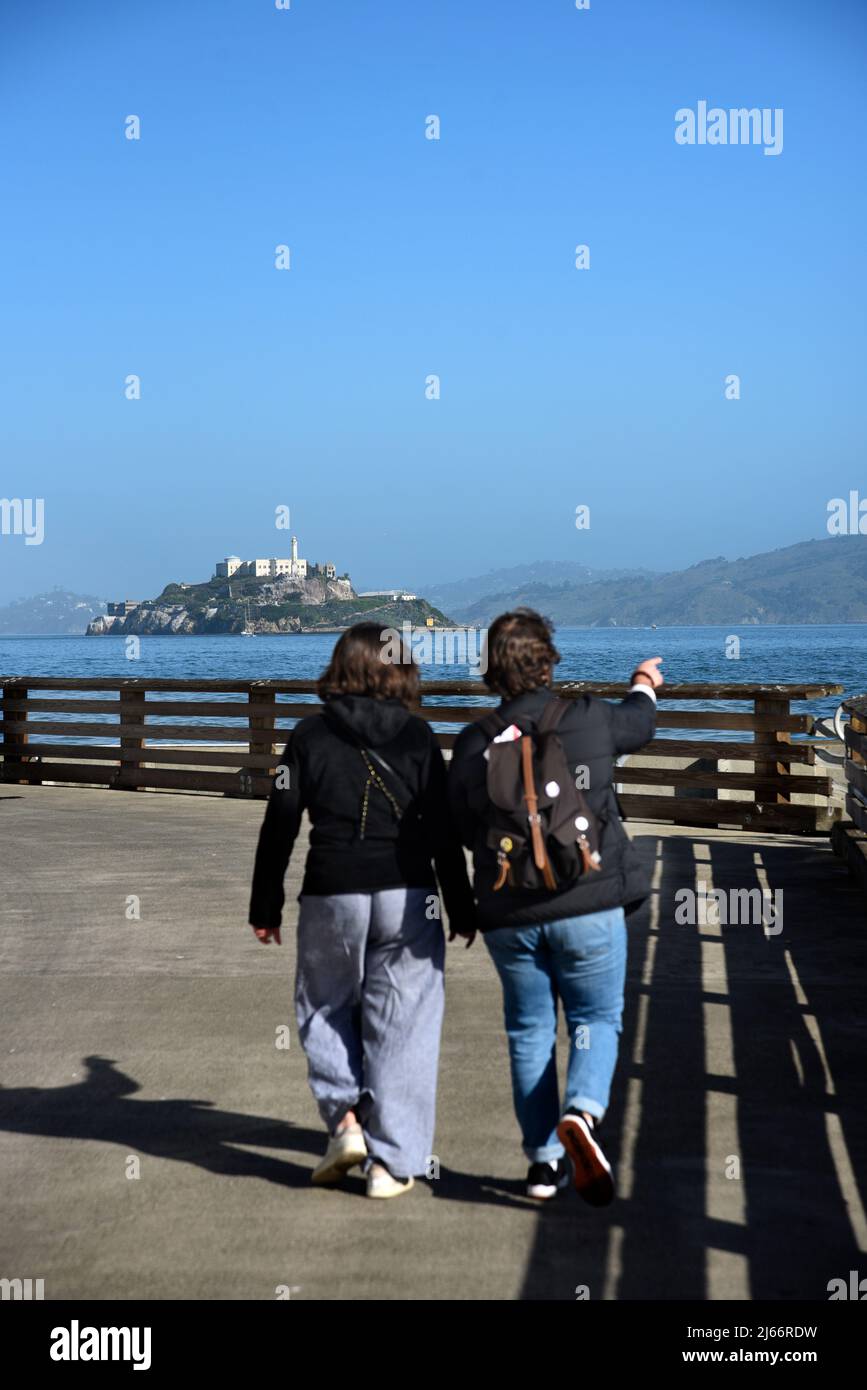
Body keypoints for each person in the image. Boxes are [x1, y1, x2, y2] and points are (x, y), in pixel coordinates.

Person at [248, 623, 476, 1199]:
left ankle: (346, 1120)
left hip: (331, 892)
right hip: (408, 895)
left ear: (340, 666)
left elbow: (280, 816)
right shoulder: (420, 738)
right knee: (406, 1020)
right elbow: (444, 830)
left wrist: (265, 903)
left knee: (324, 1004)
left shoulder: (304, 737)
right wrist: (461, 903)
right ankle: (391, 1164)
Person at [448, 609, 661, 1203]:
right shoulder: (588, 718)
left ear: (491, 666)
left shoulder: (474, 741)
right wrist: (642, 681)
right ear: (548, 660)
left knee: (529, 1032)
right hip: (587, 902)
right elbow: (640, 726)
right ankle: (583, 1113)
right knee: (595, 1020)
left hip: (509, 914)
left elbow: (464, 828)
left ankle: (543, 1164)